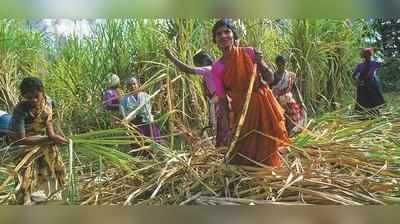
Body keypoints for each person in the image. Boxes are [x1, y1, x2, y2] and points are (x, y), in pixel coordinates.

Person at [211, 19, 288, 167]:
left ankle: (268, 175)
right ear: (215, 40)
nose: (223, 36)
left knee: (266, 143)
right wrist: (227, 129)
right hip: (242, 109)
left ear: (233, 35)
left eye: (227, 32)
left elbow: (270, 78)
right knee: (244, 148)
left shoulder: (249, 52)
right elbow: (222, 101)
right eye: (219, 34)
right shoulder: (217, 68)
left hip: (262, 104)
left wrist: (260, 62)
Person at [8, 77, 67, 205]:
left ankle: (57, 195)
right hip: (23, 142)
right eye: (28, 98)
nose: (33, 100)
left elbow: (49, 121)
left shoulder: (49, 102)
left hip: (42, 138)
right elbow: (21, 138)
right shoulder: (20, 109)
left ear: (42, 91)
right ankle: (25, 201)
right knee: (25, 175)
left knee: (57, 167)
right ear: (23, 96)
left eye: (36, 96)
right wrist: (49, 138)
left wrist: (53, 135)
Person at [164, 49, 230, 147]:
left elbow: (187, 69)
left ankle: (224, 148)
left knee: (221, 127)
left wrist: (171, 57)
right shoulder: (213, 70)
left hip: (218, 100)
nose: (197, 66)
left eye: (197, 64)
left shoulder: (208, 69)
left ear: (202, 61)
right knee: (220, 127)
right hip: (217, 100)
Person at [271, 55, 306, 135]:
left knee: (295, 117)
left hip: (289, 101)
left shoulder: (290, 76)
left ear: (285, 64)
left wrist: (301, 102)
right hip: (277, 102)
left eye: (282, 64)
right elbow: (269, 91)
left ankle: (293, 135)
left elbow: (295, 89)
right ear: (276, 64)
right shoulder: (273, 77)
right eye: (279, 65)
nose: (281, 67)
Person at [120, 76, 161, 143]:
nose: (132, 86)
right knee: (139, 143)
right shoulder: (124, 99)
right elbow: (124, 114)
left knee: (155, 140)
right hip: (135, 123)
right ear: (127, 87)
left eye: (134, 84)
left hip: (147, 121)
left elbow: (152, 109)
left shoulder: (145, 95)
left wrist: (158, 98)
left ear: (138, 84)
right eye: (130, 85)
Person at [352, 48, 385, 114]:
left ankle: (371, 112)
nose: (368, 56)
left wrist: (357, 80)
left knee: (371, 98)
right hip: (365, 84)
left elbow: (353, 76)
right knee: (365, 98)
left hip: (370, 83)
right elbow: (353, 76)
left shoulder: (373, 63)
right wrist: (358, 81)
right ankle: (366, 113)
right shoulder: (362, 65)